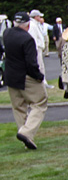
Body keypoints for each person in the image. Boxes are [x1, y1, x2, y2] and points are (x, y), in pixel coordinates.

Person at [3, 12, 48, 149]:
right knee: (40, 102)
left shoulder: (7, 33)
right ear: (28, 25)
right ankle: (26, 132)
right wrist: (39, 76)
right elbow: (31, 63)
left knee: (19, 107)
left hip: (10, 75)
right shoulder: (27, 39)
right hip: (26, 76)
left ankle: (26, 137)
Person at [28, 9, 50, 87]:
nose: (40, 17)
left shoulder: (36, 24)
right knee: (39, 65)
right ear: (36, 17)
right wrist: (36, 48)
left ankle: (44, 81)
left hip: (39, 47)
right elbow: (33, 38)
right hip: (37, 48)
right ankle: (42, 82)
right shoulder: (32, 24)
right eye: (39, 16)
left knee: (41, 65)